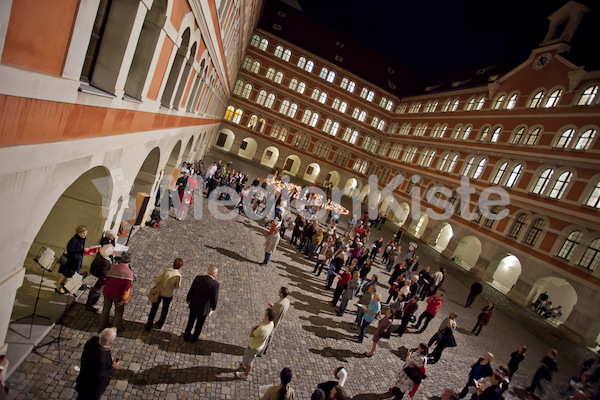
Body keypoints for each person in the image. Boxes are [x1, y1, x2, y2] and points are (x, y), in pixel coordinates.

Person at [75, 328, 119, 400]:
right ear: (111, 341)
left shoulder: (93, 340)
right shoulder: (102, 357)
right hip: (93, 388)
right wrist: (113, 367)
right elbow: (101, 375)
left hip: (83, 380)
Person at [145, 258, 183, 331]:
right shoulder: (178, 275)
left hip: (159, 292)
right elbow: (177, 286)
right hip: (168, 294)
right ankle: (160, 324)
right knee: (165, 309)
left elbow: (158, 280)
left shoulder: (166, 271)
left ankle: (149, 325)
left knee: (154, 309)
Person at [236, 308, 275, 380]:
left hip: (254, 347)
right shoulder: (271, 323)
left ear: (267, 317)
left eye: (265, 313)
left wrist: (253, 329)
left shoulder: (262, 329)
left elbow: (252, 334)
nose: (264, 314)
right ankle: (246, 365)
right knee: (249, 358)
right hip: (260, 345)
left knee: (250, 361)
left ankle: (245, 375)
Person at [98, 252, 133, 333]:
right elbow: (127, 287)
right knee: (118, 311)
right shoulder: (129, 273)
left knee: (106, 309)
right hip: (118, 294)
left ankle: (102, 325)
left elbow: (106, 277)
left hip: (107, 291)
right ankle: (115, 327)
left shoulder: (113, 267)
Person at [184, 266, 219, 343]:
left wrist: (188, 298)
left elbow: (192, 289)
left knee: (190, 322)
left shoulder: (198, 278)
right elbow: (214, 298)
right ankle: (194, 338)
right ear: (213, 274)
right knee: (199, 325)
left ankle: (186, 336)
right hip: (204, 308)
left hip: (194, 304)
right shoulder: (215, 284)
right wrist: (213, 307)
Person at [56, 225, 89, 294]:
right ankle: (58, 288)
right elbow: (71, 250)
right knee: (65, 275)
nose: (85, 235)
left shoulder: (81, 239)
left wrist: (85, 251)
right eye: (83, 233)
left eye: (86, 233)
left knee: (70, 276)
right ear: (78, 232)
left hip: (76, 261)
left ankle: (65, 287)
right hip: (71, 261)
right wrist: (82, 250)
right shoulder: (74, 240)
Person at [262, 287, 291, 355]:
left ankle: (262, 351)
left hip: (272, 321)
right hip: (277, 321)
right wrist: (274, 306)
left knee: (267, 336)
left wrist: (269, 308)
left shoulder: (280, 304)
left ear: (281, 294)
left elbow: (273, 313)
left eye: (279, 291)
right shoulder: (287, 301)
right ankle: (265, 349)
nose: (278, 292)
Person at [85, 244, 114, 312]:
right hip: (100, 280)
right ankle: (90, 305)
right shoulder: (105, 262)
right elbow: (104, 273)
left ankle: (88, 303)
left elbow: (92, 264)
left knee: (92, 291)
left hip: (94, 275)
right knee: (96, 292)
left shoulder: (99, 255)